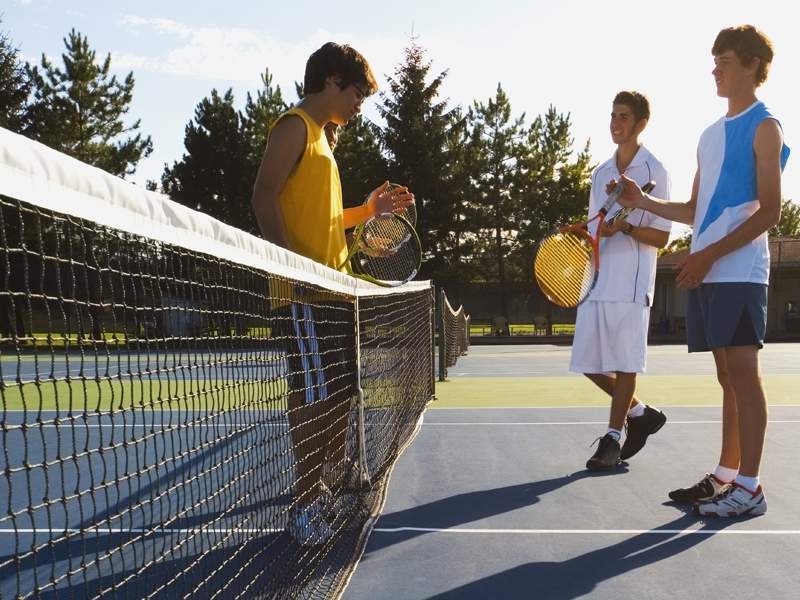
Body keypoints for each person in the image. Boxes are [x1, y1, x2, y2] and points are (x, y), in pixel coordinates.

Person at [617, 25, 789, 516]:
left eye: (727, 60)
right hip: (710, 270)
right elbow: (697, 208)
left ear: (754, 66)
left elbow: (770, 211)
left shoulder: (765, 125)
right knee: (726, 378)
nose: (716, 67)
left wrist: (709, 255)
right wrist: (643, 200)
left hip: (739, 270)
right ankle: (726, 475)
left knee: (743, 375)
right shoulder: (709, 135)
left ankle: (750, 488)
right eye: (715, 59)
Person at [251, 42, 414, 545]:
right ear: (331, 82)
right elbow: (262, 197)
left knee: (339, 397)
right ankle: (302, 506)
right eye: (358, 92)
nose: (361, 102)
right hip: (304, 296)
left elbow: (324, 222)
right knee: (314, 401)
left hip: (335, 293)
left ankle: (320, 489)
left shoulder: (324, 141)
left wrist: (367, 211)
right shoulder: (294, 127)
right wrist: (291, 265)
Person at [569, 91, 672, 471]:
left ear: (641, 123)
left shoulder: (655, 172)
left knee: (625, 363)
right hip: (596, 280)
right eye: (613, 115)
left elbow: (662, 238)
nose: (616, 122)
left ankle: (612, 440)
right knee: (588, 363)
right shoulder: (600, 173)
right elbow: (597, 227)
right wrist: (590, 234)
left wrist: (625, 227)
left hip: (630, 286)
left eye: (624, 116)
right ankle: (641, 413)